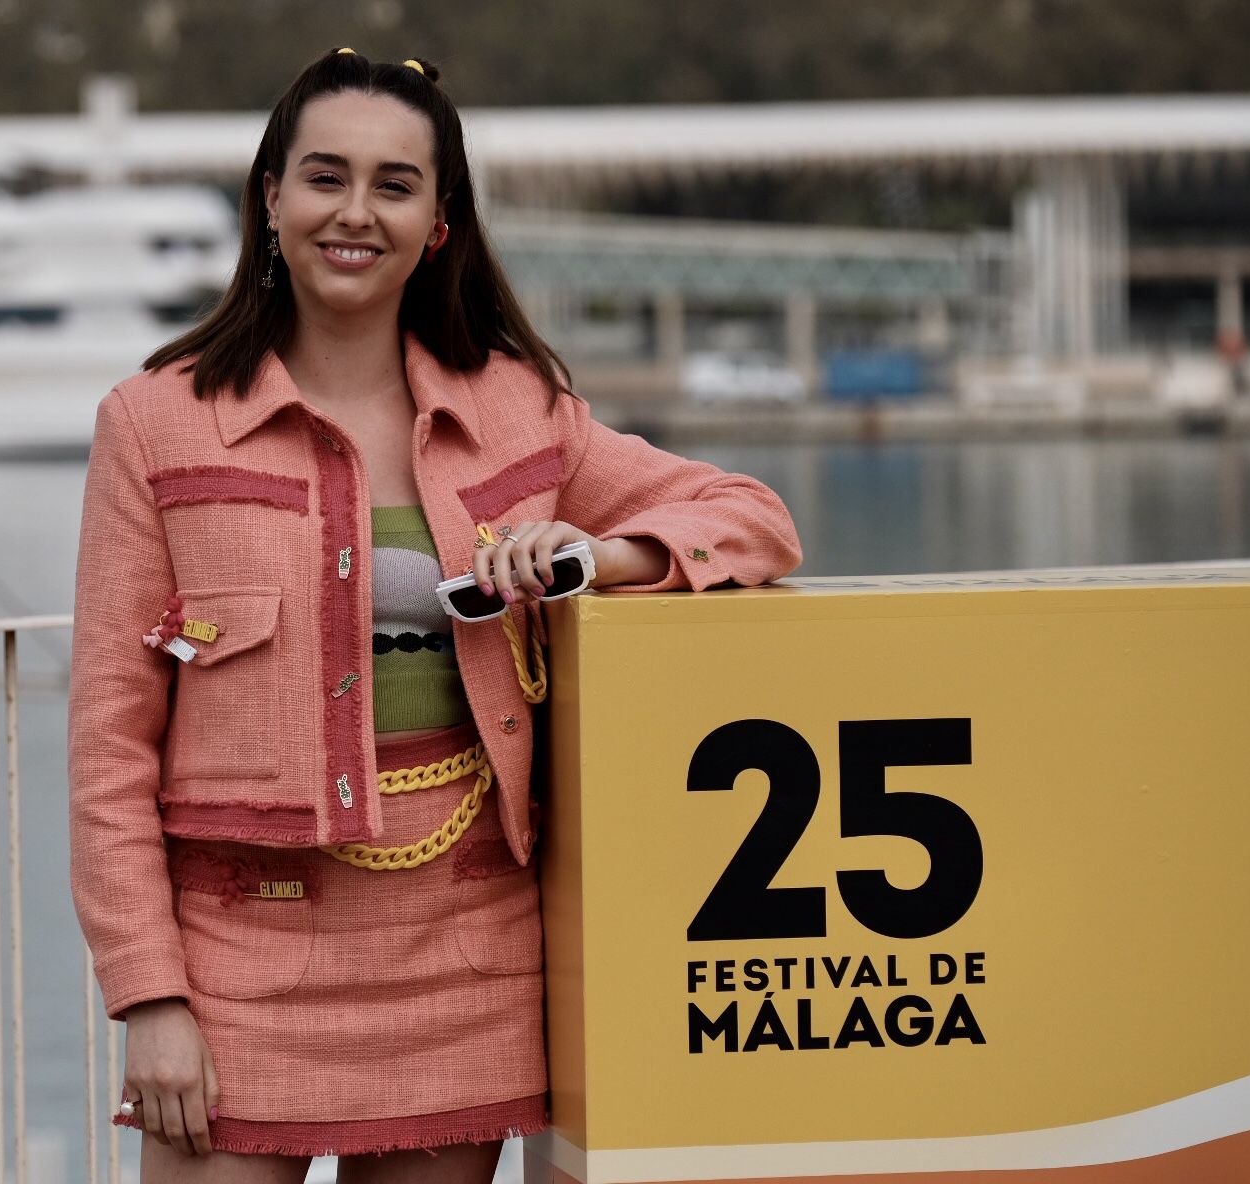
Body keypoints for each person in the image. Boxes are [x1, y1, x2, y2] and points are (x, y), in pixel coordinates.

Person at [68, 48, 801, 1182]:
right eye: (325, 177)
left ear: (440, 220)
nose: (355, 213)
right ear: (270, 197)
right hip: (235, 967)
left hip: (468, 959)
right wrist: (148, 993)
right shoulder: (157, 423)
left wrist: (596, 556)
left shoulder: (521, 412)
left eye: (395, 185)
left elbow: (752, 518)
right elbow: (109, 745)